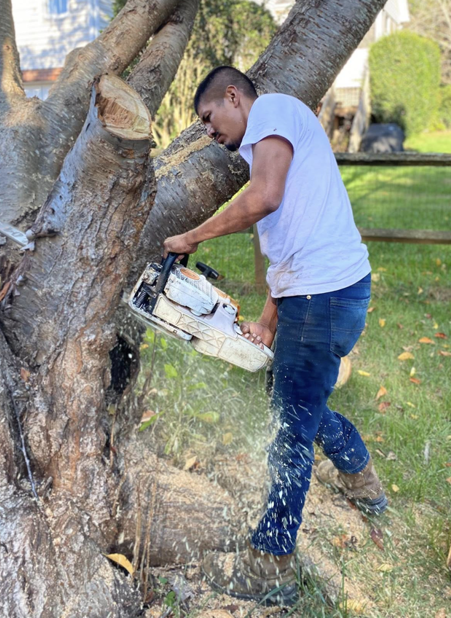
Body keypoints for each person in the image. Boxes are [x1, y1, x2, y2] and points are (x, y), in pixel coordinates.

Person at [163, 66, 387, 607]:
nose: (208, 132)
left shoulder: (274, 112)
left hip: (325, 298)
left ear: (234, 97)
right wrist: (266, 321)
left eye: (208, 118)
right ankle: (361, 479)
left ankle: (272, 566)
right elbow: (292, 250)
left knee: (291, 426)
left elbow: (263, 198)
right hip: (321, 293)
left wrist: (191, 236)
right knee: (296, 403)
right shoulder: (269, 143)